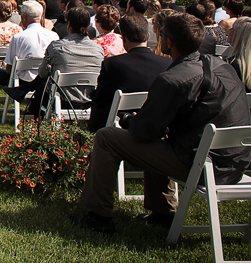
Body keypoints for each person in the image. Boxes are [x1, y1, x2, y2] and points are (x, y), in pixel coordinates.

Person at [72, 12, 251, 234]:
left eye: (162, 34)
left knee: (107, 137)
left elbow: (143, 132)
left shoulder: (174, 79)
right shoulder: (222, 67)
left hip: (204, 166)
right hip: (237, 162)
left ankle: (98, 217)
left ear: (170, 42)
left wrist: (128, 120)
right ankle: (162, 211)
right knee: (159, 139)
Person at [86, 13, 172, 133]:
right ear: (147, 37)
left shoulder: (112, 64)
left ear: (124, 38)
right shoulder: (167, 64)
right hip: (157, 129)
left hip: (122, 128)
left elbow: (101, 100)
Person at [0, 0, 57, 118]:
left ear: (24, 17)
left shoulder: (19, 37)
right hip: (44, 81)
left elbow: (9, 69)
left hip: (22, 80)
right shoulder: (53, 36)